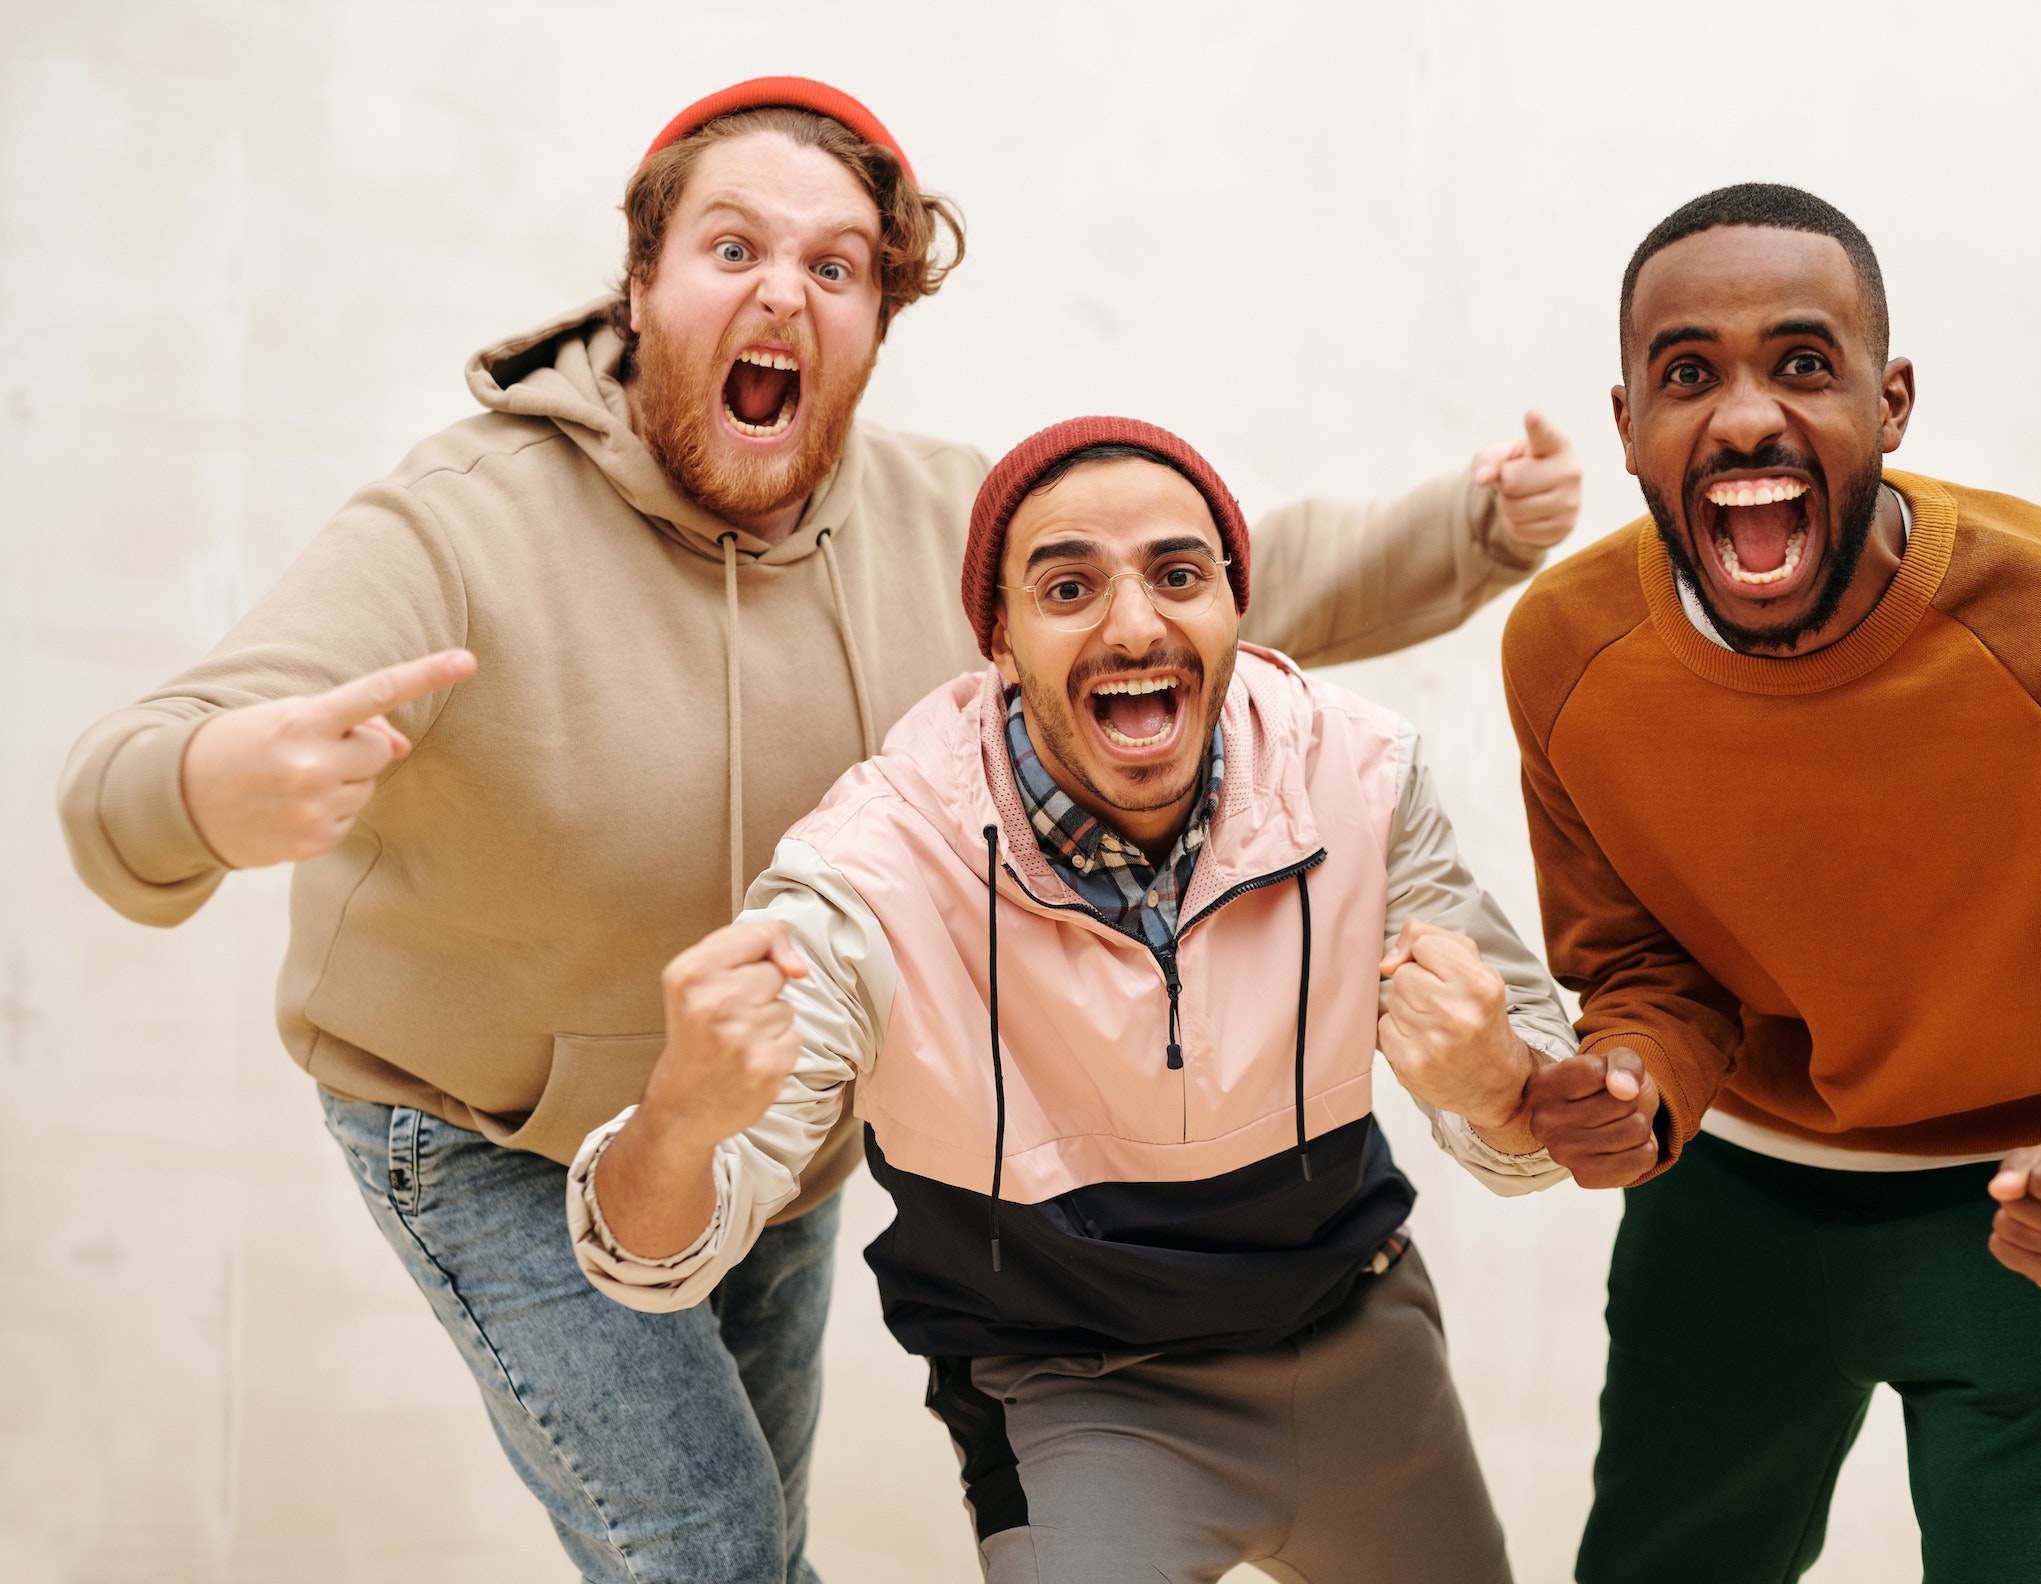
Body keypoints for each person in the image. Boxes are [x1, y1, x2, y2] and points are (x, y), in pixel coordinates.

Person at [54, 79, 1584, 1584]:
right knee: (709, 1557)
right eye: (733, 250)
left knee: (760, 1545)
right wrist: (205, 788)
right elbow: (129, 768)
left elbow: (1219, 579)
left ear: (877, 319)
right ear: (643, 283)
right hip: (489, 1125)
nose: (783, 291)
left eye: (834, 266)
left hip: (774, 1113)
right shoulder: (462, 523)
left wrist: (1474, 530)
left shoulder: (938, 519)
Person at [568, 416, 1577, 1584]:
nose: (1137, 623)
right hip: (1074, 1401)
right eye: (1069, 587)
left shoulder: (1361, 773)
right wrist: (681, 1123)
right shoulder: (871, 869)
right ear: (999, 640)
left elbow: (1537, 1121)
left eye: (1180, 576)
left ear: (1235, 611)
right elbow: (652, 1261)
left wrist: (1500, 1084)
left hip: (1366, 1355)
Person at [1500, 183, 2041, 1583]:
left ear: (1891, 404)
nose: (1749, 415)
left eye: (1803, 365)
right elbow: (1642, 969)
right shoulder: (1565, 646)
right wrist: (1632, 1077)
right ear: (1631, 421)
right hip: (1728, 1210)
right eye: (1689, 372)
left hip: (2040, 1209)